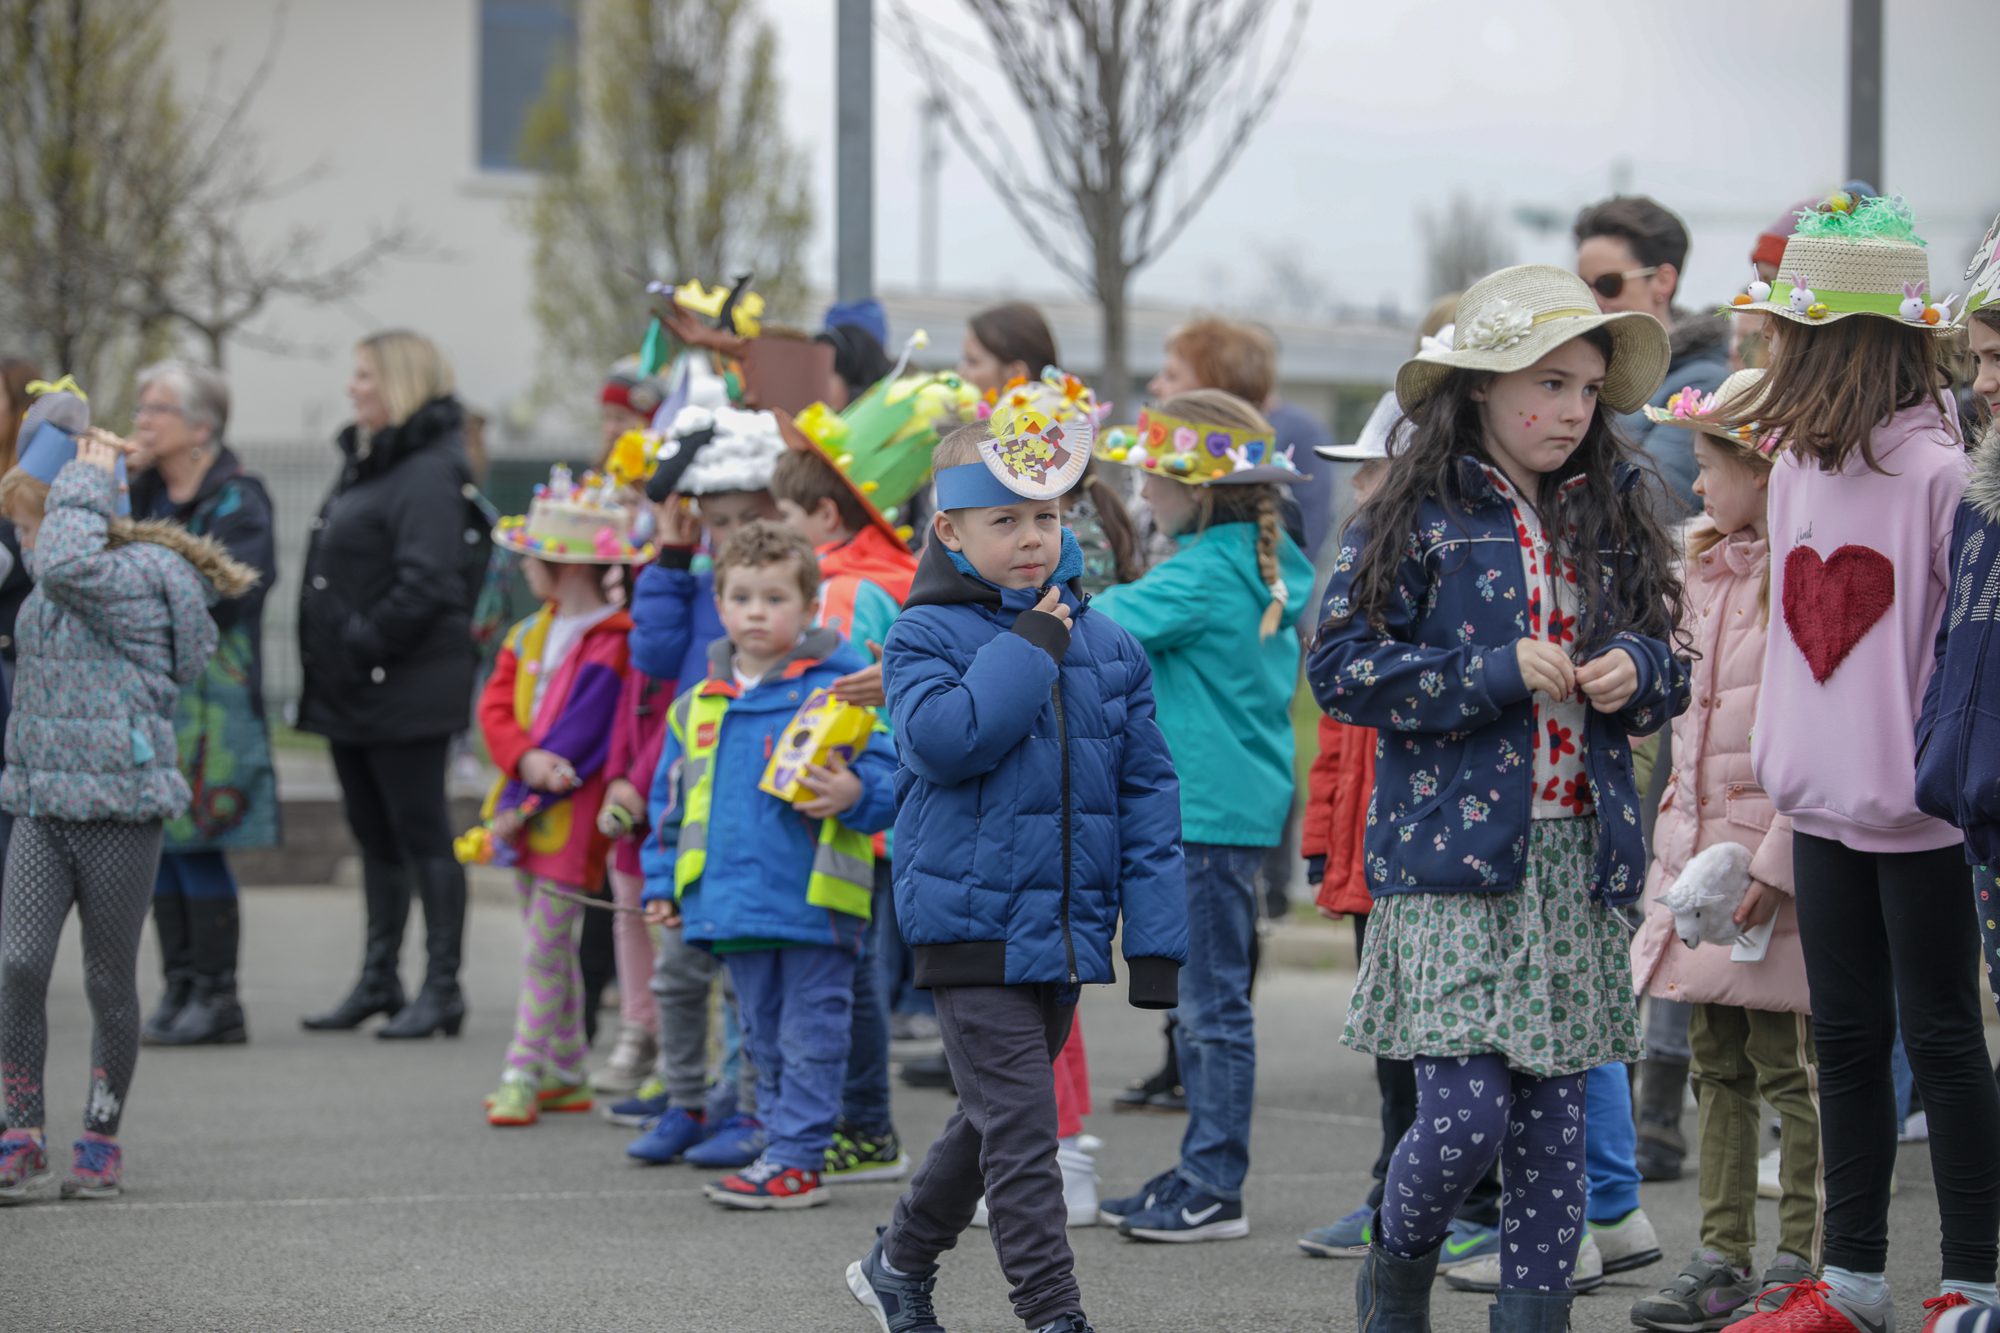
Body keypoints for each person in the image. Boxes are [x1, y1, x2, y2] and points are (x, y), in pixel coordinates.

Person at [1311, 264, 1686, 1331]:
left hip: (1577, 858)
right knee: (1464, 1118)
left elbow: (1675, 658)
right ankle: (1395, 1272)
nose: (1570, 410)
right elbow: (1340, 667)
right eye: (1547, 382)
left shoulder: (1613, 509)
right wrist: (1486, 671)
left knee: (1552, 1130)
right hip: (1446, 862)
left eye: (1585, 388)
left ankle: (1531, 1317)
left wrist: (1634, 668)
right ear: (1477, 383)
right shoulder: (1415, 513)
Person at [1718, 195, 2000, 1333]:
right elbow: (1798, 655)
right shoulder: (1791, 470)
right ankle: (1849, 1281)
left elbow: (1955, 653)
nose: (1773, 349)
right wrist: (1777, 819)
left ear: (1842, 338)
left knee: (1938, 1035)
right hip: (1819, 807)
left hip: (1920, 811)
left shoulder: (1942, 475)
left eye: (1790, 330)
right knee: (1836, 1032)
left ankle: (1974, 1281)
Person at [844, 418, 1184, 1333]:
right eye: (1005, 520)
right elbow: (947, 743)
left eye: (1046, 515)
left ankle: (897, 1262)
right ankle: (1053, 1315)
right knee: (1028, 1132)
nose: (1033, 537)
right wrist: (1031, 642)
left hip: (1065, 928)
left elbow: (1149, 794)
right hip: (966, 921)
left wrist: (1155, 943)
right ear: (950, 532)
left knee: (995, 1116)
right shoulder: (922, 635)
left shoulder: (1110, 645)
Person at [0, 387, 253, 1203]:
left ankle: (100, 1135)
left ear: (78, 508)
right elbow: (49, 564)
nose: (28, 544)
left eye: (31, 522)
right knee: (16, 965)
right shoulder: (52, 573)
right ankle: (20, 1130)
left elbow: (70, 561)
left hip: (120, 808)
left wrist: (86, 470)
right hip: (42, 803)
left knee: (109, 978)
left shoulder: (140, 577)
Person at [1295, 299, 1502, 1271]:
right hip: (1368, 848)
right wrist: (1318, 834)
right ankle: (1392, 1189)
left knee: (1446, 1042)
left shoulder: (1447, 546)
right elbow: (1339, 721)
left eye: (1373, 467)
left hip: (1434, 837)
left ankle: (1456, 1200)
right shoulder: (1369, 559)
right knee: (1393, 1043)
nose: (1362, 486)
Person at [1090, 388, 1316, 1244]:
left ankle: (1216, 1183)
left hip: (1204, 811)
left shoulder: (1199, 573)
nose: (1144, 494)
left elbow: (1093, 626)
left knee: (1212, 1005)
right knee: (1202, 1001)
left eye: (1154, 478)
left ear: (1201, 489)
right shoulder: (1254, 561)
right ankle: (1198, 1167)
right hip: (1231, 804)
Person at [1624, 370, 1824, 1331]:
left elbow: (1818, 734)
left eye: (1709, 466)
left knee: (1791, 1065)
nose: (1696, 485)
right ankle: (1721, 1254)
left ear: (1765, 465)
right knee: (1716, 1062)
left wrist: (1781, 862)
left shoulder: (1801, 577)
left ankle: (1804, 1256)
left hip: (1767, 873)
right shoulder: (1703, 575)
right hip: (1704, 869)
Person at [641, 521, 895, 1209]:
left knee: (812, 1033)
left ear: (810, 605)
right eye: (742, 596)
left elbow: (893, 773)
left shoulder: (845, 683)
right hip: (731, 904)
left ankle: (797, 1158)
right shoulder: (699, 702)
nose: (757, 611)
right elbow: (671, 803)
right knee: (760, 1037)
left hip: (815, 903)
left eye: (775, 597)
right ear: (719, 604)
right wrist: (663, 886)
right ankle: (782, 1146)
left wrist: (857, 793)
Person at [298, 331, 486, 1040]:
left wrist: (360, 641)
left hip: (403, 687)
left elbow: (428, 581)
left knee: (421, 833)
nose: (354, 389)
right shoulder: (371, 463)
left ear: (401, 383)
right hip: (356, 688)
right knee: (374, 835)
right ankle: (380, 978)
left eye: (366, 376)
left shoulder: (426, 471)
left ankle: (442, 987)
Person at [617, 404, 783, 1169]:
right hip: (694, 798)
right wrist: (672, 560)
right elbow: (649, 656)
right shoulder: (691, 578)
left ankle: (745, 1109)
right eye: (717, 519)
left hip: (757, 812)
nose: (734, 535)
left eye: (749, 517)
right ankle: (685, 1099)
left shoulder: (781, 597)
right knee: (681, 972)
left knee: (745, 982)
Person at [474, 467, 646, 1126]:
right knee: (546, 941)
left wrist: (533, 791)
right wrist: (522, 763)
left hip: (566, 818)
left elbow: (588, 730)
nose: (523, 569)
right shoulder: (530, 634)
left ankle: (523, 1067)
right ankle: (570, 1067)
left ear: (564, 566)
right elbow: (495, 708)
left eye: (532, 560)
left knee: (545, 945)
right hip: (524, 803)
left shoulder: (614, 640)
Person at [116, 361, 278, 1050]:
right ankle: (180, 983)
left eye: (157, 409)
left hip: (214, 703)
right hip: (152, 692)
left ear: (201, 427)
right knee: (161, 844)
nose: (142, 420)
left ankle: (219, 995)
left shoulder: (239, 498)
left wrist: (150, 576)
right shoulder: (138, 491)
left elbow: (231, 590)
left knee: (200, 840)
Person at [1575, 195, 1731, 517]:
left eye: (1608, 284)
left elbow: (1653, 504)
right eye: (1581, 286)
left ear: (1663, 280)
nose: (1592, 300)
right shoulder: (1578, 372)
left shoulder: (1703, 384)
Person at [1147, 316, 1334, 560]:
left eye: (1172, 376)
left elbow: (1308, 537)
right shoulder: (1163, 454)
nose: (1154, 386)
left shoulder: (1298, 435)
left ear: (1217, 394)